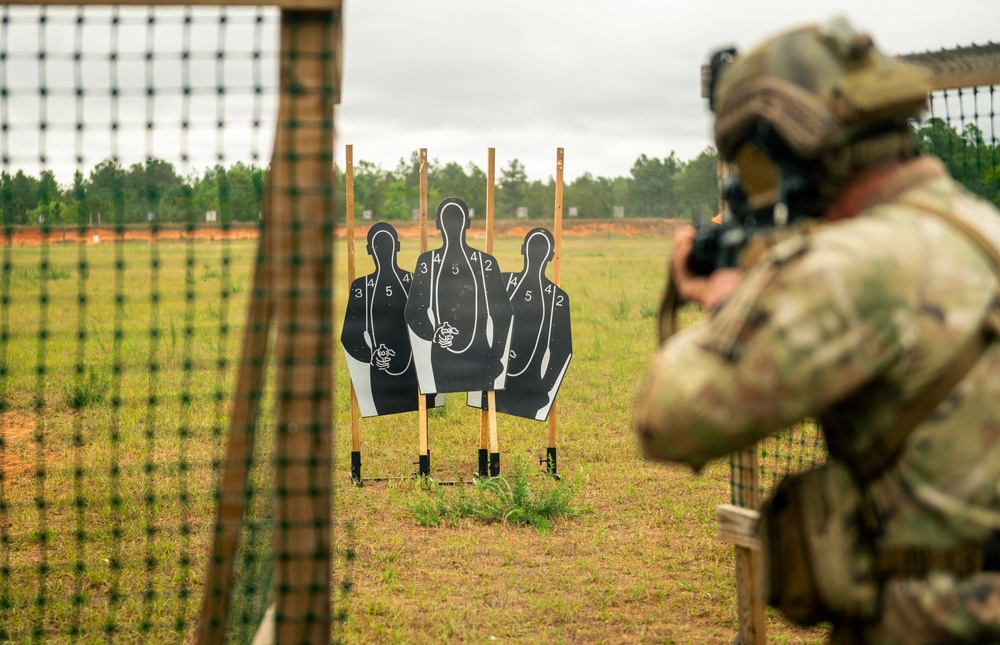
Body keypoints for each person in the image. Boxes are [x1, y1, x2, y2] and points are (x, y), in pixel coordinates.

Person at [633, 17, 1000, 645]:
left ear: (791, 153)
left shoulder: (849, 266)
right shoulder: (978, 226)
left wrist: (728, 303)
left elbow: (668, 419)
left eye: (753, 169)